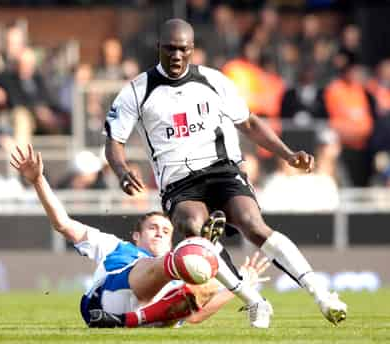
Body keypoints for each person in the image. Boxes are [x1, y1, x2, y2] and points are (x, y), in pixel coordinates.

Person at [104, 18, 347, 328]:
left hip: (221, 168)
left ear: (192, 50)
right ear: (158, 49)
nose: (176, 56)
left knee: (252, 224)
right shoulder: (136, 91)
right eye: (169, 49)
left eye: (183, 49)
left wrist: (287, 154)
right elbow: (114, 142)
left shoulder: (213, 81)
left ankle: (322, 294)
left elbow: (249, 123)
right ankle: (255, 301)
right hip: (179, 183)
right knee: (193, 227)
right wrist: (122, 170)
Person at [9, 144, 269, 328]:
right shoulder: (115, 247)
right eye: (153, 228)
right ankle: (204, 249)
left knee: (206, 283)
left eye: (166, 231)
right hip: (107, 299)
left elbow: (195, 316)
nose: (159, 233)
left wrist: (244, 285)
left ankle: (129, 320)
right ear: (136, 235)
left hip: (145, 316)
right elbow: (63, 224)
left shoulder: (180, 267)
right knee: (192, 265)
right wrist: (38, 180)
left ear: (171, 240)